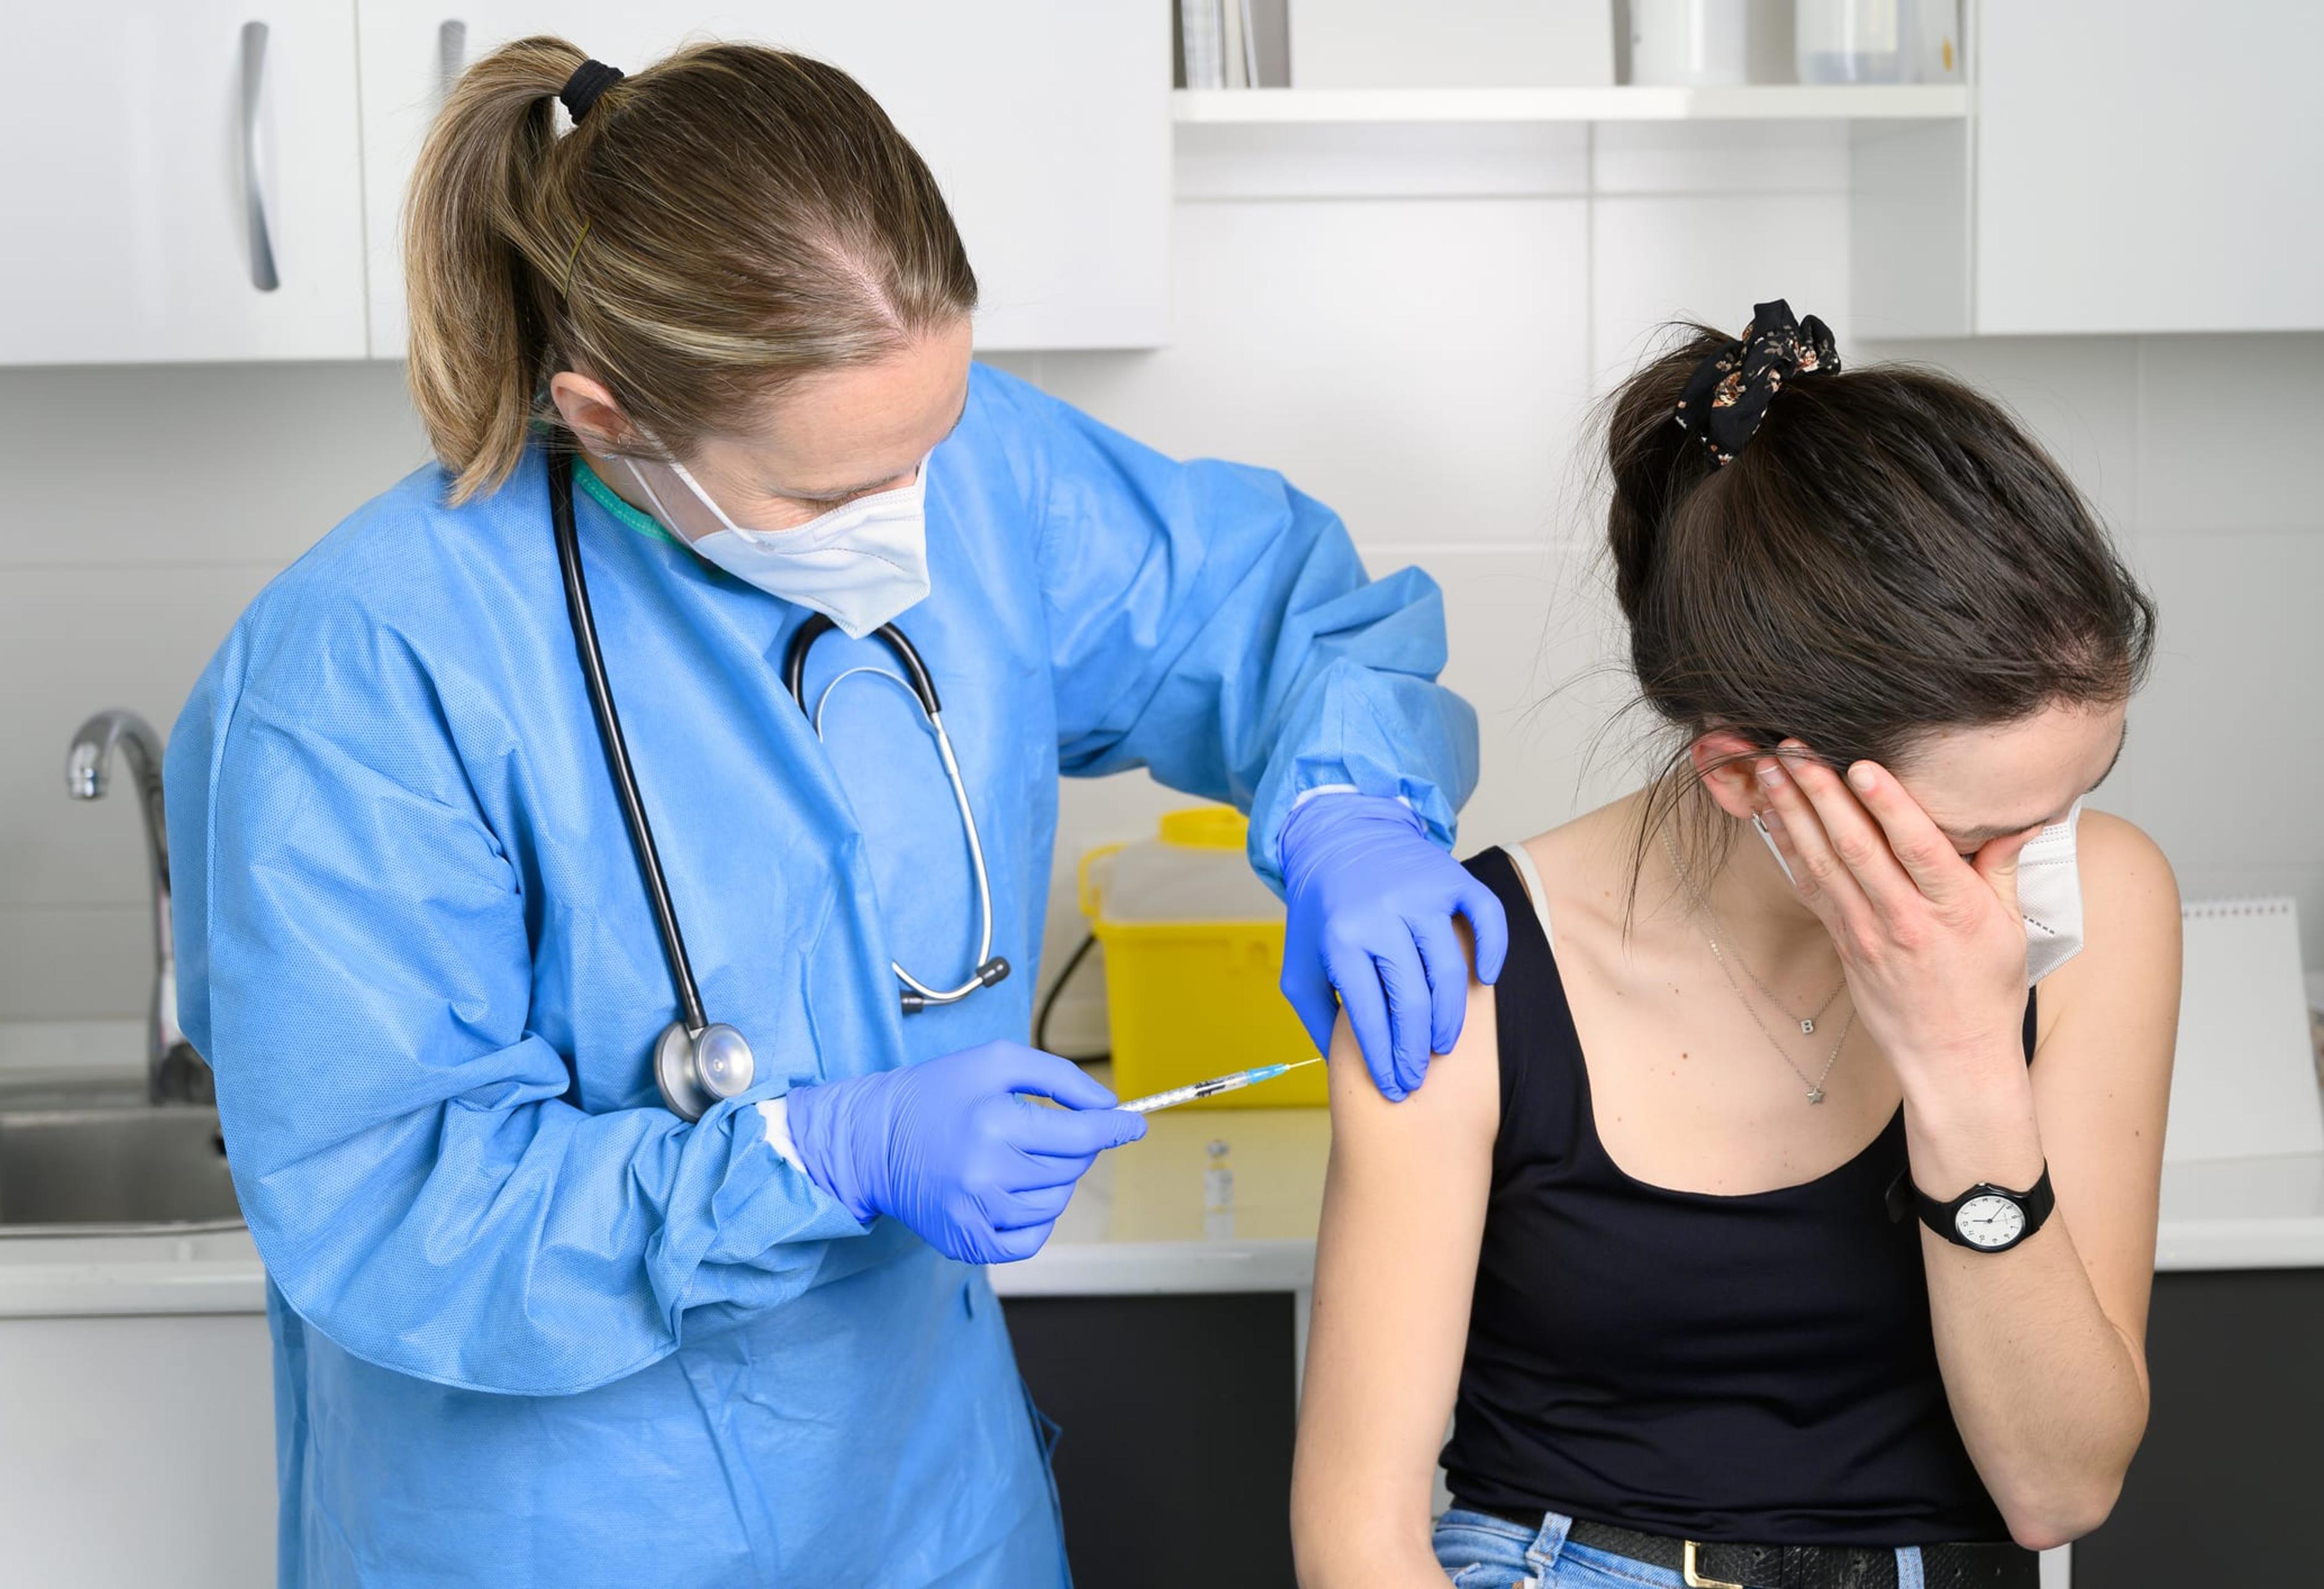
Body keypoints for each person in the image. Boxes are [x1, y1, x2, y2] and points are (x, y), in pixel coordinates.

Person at [165, 37, 1505, 1589]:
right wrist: (817, 1151)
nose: (909, 534)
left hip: (929, 1511)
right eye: (822, 500)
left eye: (927, 452)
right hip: (553, 1529)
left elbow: (1278, 614)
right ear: (608, 419)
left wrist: (1354, 811)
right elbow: (396, 1199)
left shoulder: (969, 468)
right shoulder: (370, 664)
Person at [1291, 305, 2177, 1589]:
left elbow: (2060, 1484)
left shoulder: (2107, 897)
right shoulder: (1475, 966)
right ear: (1748, 776)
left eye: (2071, 796)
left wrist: (1965, 1063)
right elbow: (1357, 1539)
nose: (2037, 867)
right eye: (1979, 830)